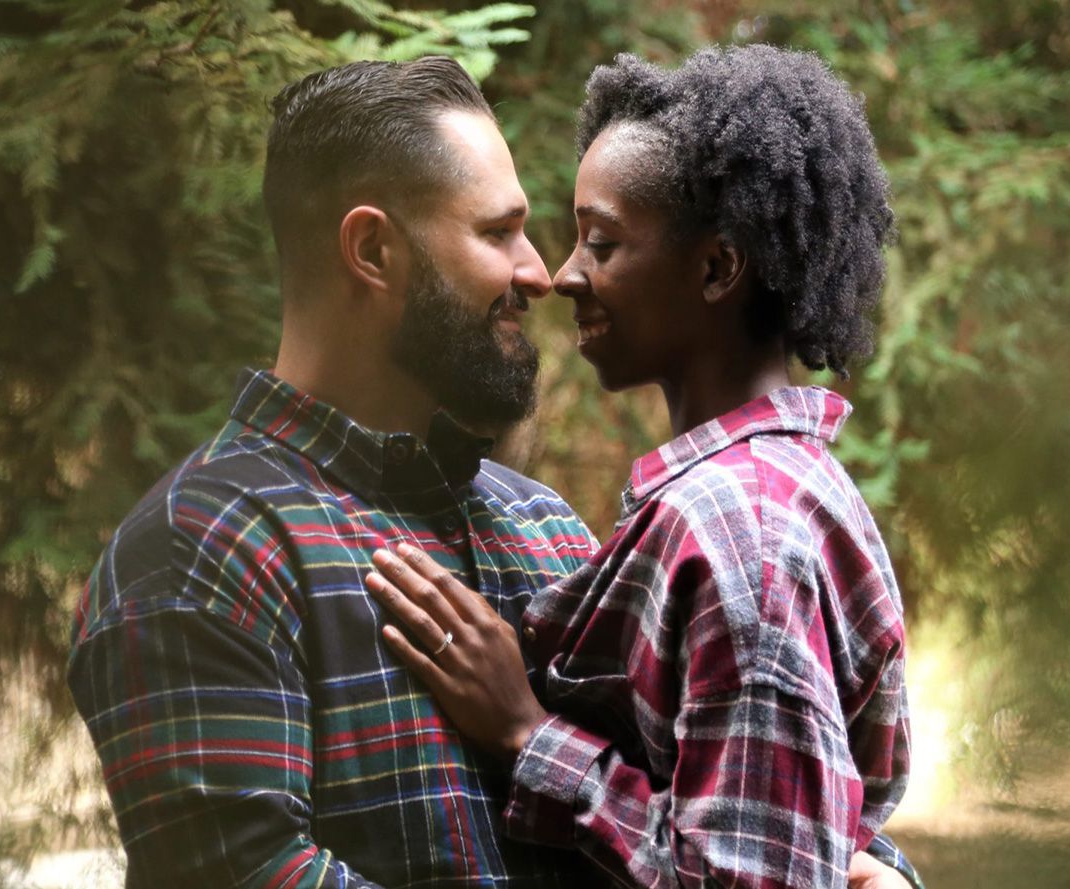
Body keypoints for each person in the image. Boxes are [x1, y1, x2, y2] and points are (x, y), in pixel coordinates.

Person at [364, 46, 920, 889]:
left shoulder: (742, 532)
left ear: (716, 268)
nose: (562, 275)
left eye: (602, 242)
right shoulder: (776, 491)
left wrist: (525, 729)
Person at [65, 57, 600, 887]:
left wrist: (860, 861)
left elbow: (697, 793)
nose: (539, 272)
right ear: (373, 248)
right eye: (498, 233)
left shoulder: (549, 531)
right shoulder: (200, 549)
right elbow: (249, 874)